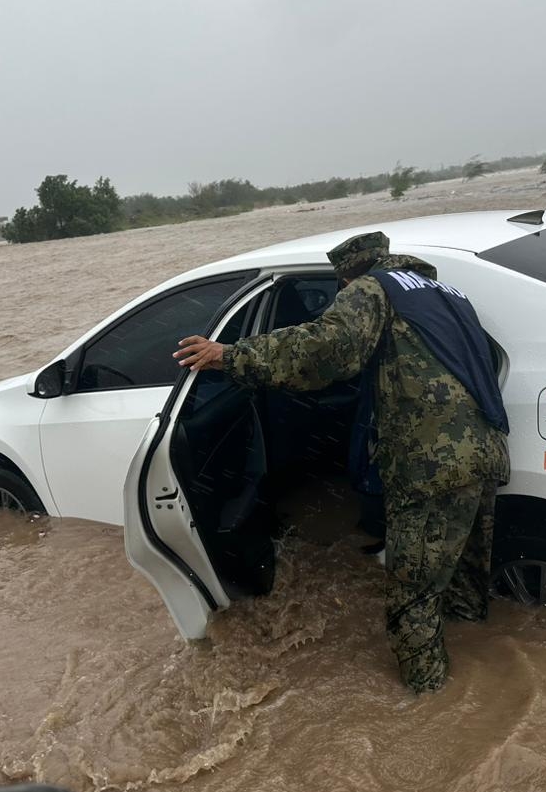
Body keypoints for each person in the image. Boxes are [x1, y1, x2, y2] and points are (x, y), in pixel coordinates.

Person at [173, 231, 510, 693]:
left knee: (411, 598)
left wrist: (230, 356)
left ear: (349, 276)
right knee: (462, 576)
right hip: (485, 446)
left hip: (434, 464)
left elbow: (324, 350)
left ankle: (434, 704)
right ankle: (491, 663)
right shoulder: (445, 292)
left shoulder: (372, 289)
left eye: (340, 287)